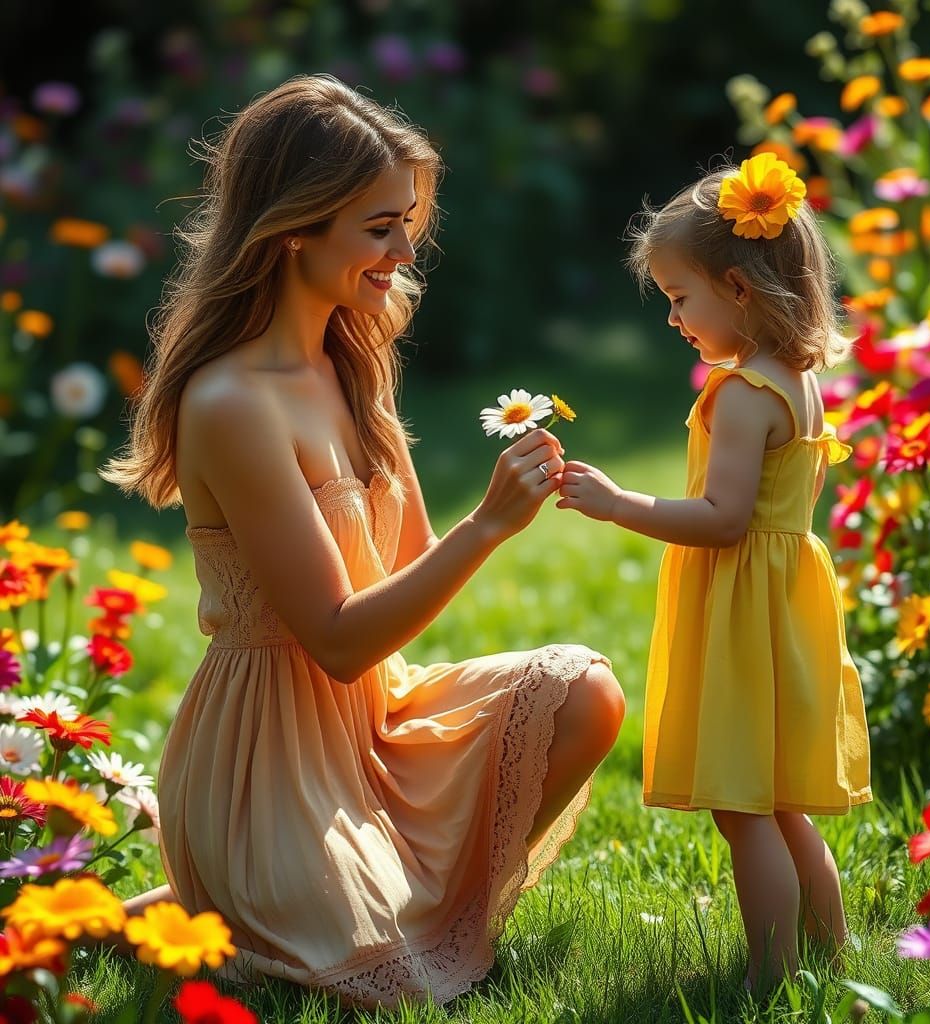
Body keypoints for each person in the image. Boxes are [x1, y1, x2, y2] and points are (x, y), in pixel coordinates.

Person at [100, 74, 624, 1009]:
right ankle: (209, 907)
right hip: (268, 764)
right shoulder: (231, 402)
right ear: (294, 227)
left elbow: (408, 570)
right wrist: (489, 526)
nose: (404, 250)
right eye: (379, 227)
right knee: (385, 981)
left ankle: (403, 908)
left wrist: (481, 523)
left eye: (408, 222)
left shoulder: (351, 355)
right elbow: (339, 642)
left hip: (372, 727)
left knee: (585, 691)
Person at [555, 153, 871, 990]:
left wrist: (620, 504)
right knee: (781, 800)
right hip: (781, 604)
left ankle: (770, 977)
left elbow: (725, 521)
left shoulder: (739, 394)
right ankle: (831, 959)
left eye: (678, 298)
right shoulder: (795, 380)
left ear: (738, 288)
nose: (672, 319)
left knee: (744, 808)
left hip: (743, 614)